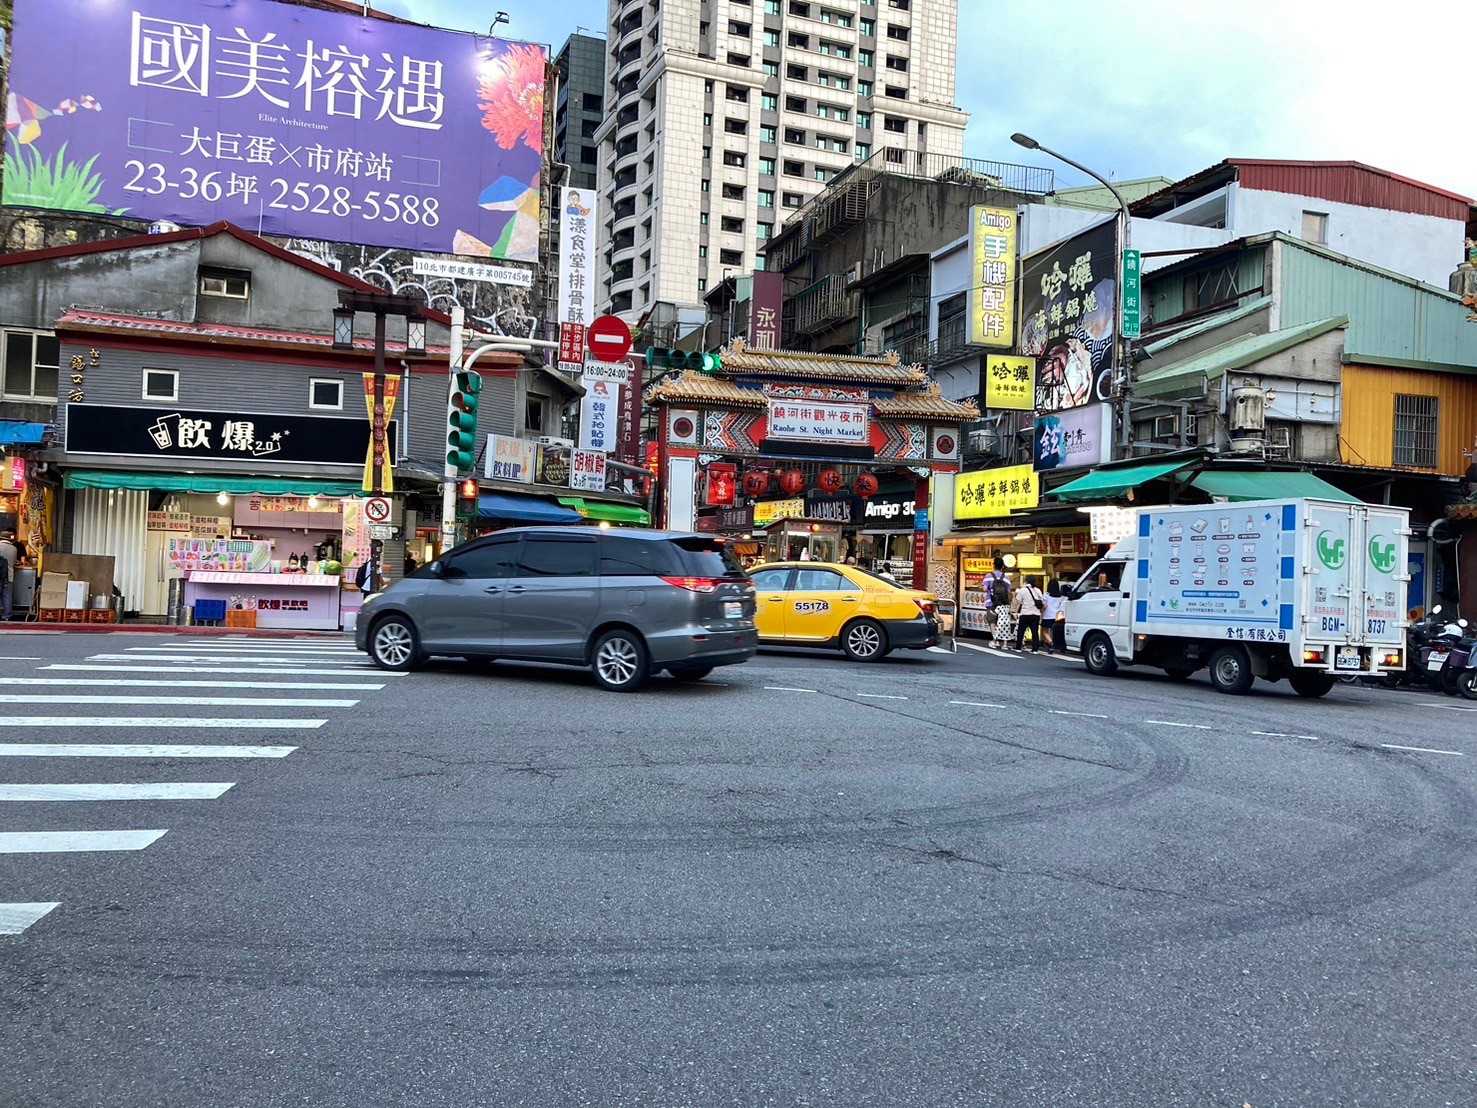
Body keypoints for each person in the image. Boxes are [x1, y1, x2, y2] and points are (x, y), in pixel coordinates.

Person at [1013, 574, 1045, 653]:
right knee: (1034, 632)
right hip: (1036, 614)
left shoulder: (1023, 590)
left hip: (1025, 613)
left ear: (1026, 581)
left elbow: (1017, 601)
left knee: (1021, 631)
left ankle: (1018, 647)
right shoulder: (1038, 590)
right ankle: (1035, 649)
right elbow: (1042, 602)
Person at [1043, 578, 1068, 654]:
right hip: (1057, 616)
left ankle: (1051, 643)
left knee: (1044, 631)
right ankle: (1053, 643)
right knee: (1053, 631)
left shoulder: (1046, 595)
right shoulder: (1060, 597)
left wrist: (1042, 613)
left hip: (1047, 615)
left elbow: (1045, 606)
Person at [0, 530, 16, 621]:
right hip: (9, 576)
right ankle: (7, 616)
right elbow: (13, 562)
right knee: (7, 596)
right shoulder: (14, 548)